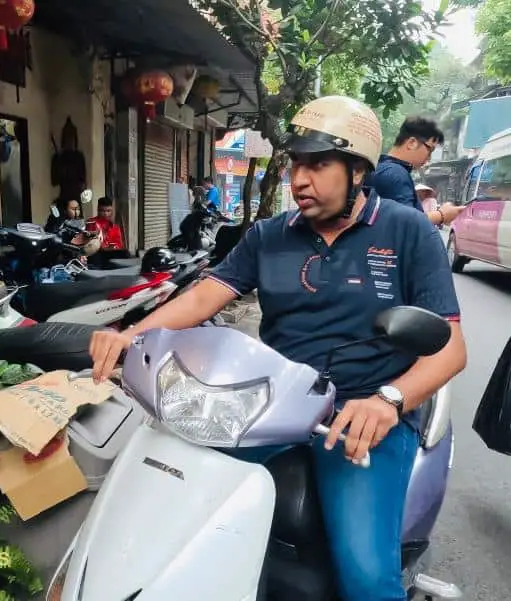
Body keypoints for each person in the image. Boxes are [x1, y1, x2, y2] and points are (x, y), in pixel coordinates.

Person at [89, 96, 467, 601]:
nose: (300, 180)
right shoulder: (269, 235)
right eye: (295, 165)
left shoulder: (407, 230)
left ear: (358, 170)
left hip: (358, 414)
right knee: (168, 507)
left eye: (318, 165)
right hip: (270, 404)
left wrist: (389, 401)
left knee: (366, 580)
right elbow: (206, 296)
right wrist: (130, 335)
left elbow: (450, 348)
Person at [367, 117, 464, 227]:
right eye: (429, 150)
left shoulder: (383, 167)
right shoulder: (396, 174)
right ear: (412, 143)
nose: (429, 158)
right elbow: (407, 222)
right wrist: (442, 215)